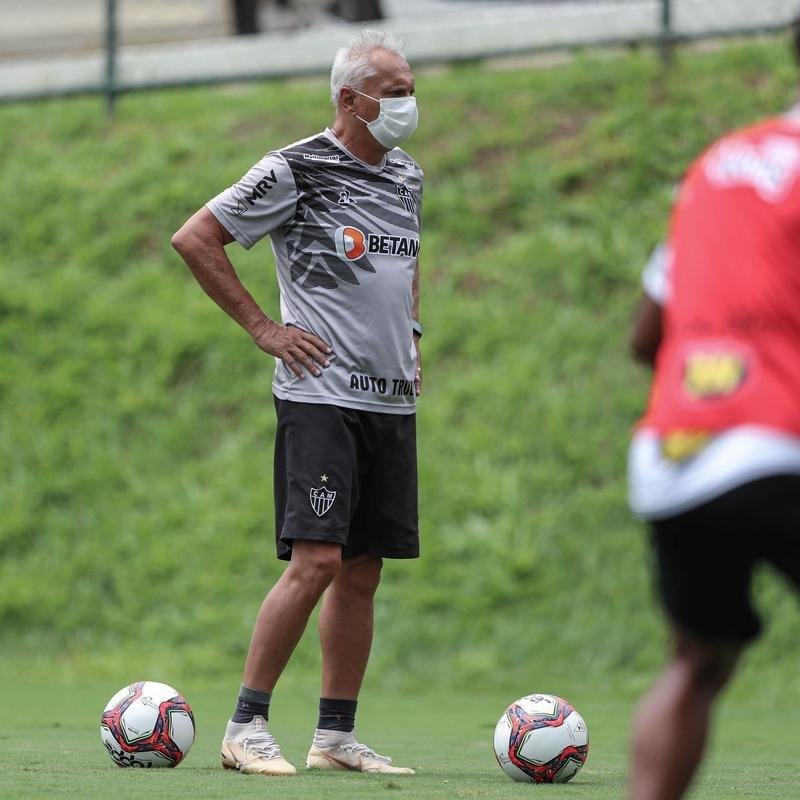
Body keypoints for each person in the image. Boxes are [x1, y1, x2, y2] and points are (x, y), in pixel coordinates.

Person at [171, 29, 422, 778]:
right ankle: (245, 726)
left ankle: (336, 737)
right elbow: (196, 238)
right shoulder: (295, 167)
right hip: (320, 396)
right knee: (315, 559)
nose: (409, 105)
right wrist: (263, 328)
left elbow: (405, 267)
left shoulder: (408, 175)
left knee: (363, 568)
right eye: (395, 93)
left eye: (411, 89)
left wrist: (414, 337)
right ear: (350, 100)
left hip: (391, 400)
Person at [626, 20, 800, 800]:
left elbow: (644, 335)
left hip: (675, 456)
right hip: (775, 445)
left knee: (697, 660)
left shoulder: (715, 167)